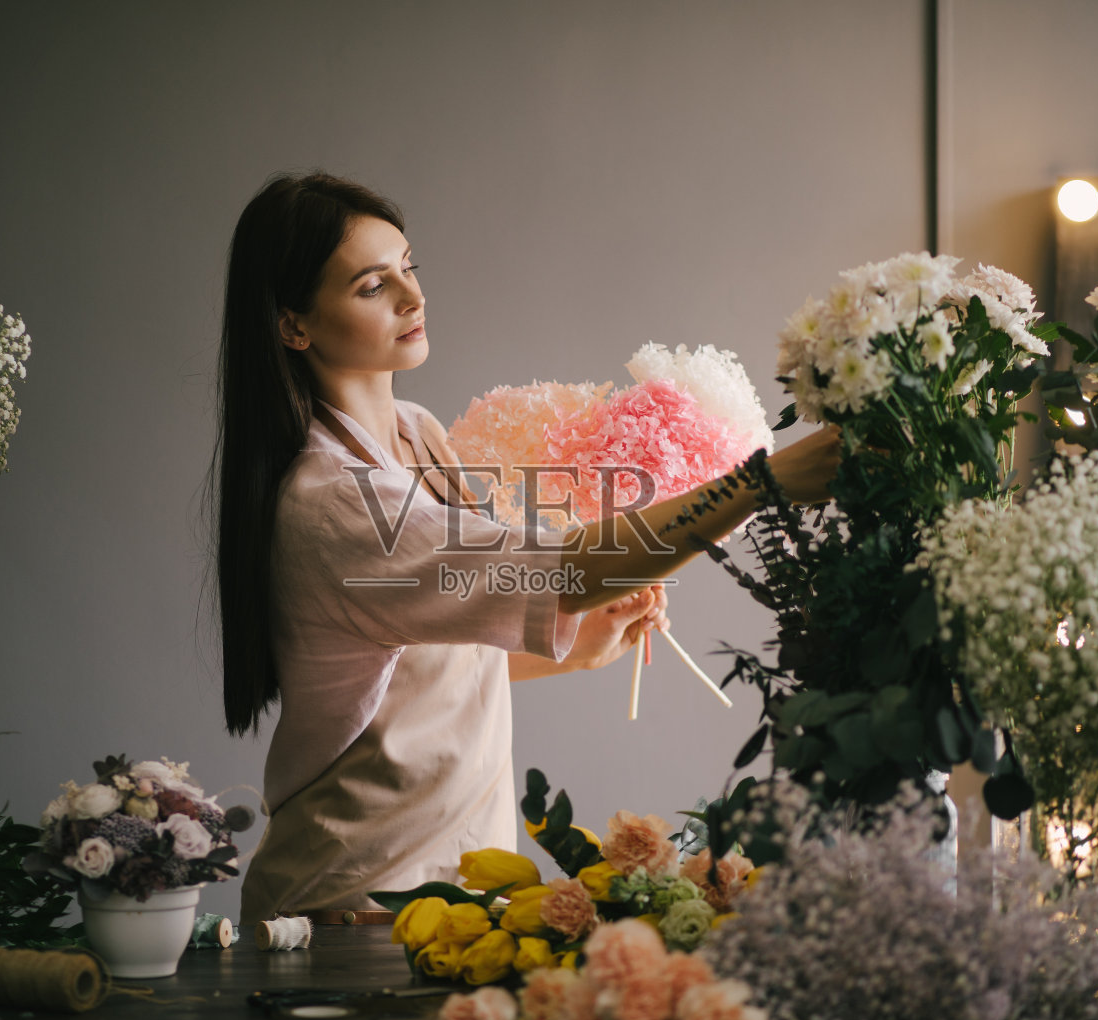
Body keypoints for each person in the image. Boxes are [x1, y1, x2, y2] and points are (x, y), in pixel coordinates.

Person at [213, 173, 840, 922]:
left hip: (455, 891)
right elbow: (557, 569)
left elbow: (419, 666)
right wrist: (762, 483)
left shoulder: (416, 433)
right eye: (373, 286)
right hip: (356, 902)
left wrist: (576, 648)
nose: (413, 297)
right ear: (294, 325)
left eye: (409, 267)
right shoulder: (335, 502)